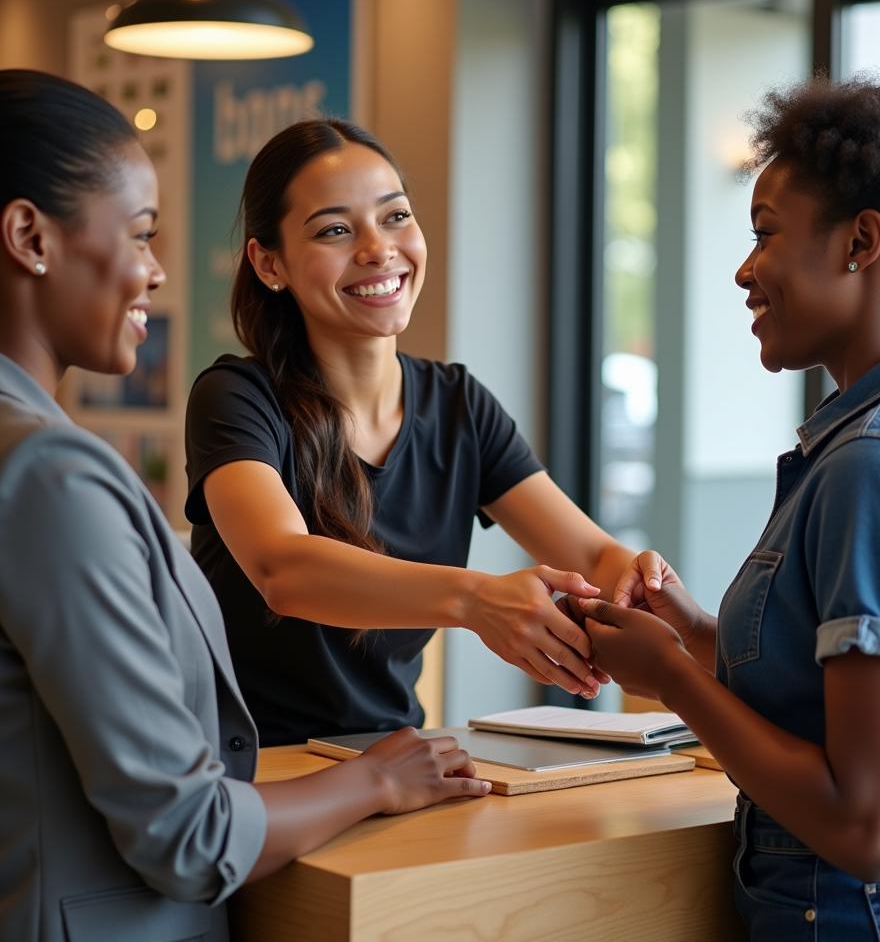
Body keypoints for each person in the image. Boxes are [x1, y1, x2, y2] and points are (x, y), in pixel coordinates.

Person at [0, 70, 490, 942]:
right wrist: (376, 779)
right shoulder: (48, 475)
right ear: (31, 236)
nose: (154, 273)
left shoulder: (457, 401)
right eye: (142, 236)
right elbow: (187, 835)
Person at [575, 77, 880, 937]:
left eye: (764, 235)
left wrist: (669, 678)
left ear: (862, 242)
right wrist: (690, 634)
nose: (745, 270)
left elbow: (867, 825)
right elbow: (830, 698)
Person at [184, 118, 636, 746]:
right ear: (269, 264)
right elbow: (282, 569)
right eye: (336, 230)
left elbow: (590, 555)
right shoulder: (236, 397)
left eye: (395, 216)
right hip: (240, 765)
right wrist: (475, 599)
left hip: (388, 756)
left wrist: (638, 583)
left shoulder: (459, 406)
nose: (377, 249)